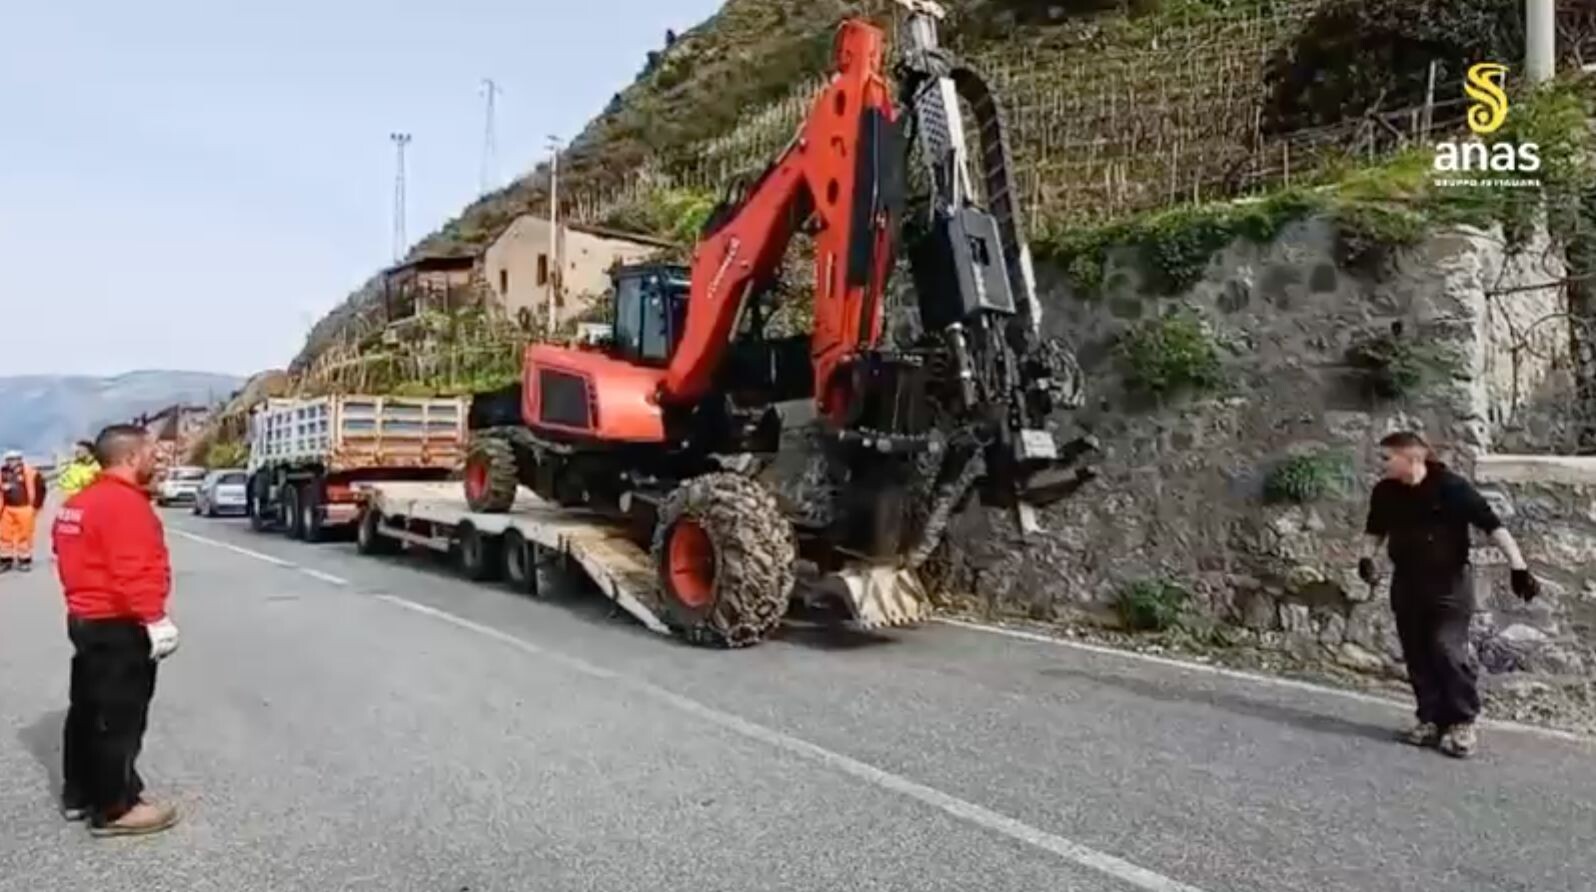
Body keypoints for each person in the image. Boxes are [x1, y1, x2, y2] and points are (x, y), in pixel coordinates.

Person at [1359, 431, 1538, 759]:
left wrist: (1519, 568)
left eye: (1387, 458)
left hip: (1449, 585)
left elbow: (1493, 525)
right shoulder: (1385, 493)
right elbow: (1375, 528)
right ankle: (1429, 718)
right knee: (1416, 652)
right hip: (1408, 583)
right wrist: (1366, 558)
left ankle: (1461, 722)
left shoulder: (1451, 488)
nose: (1381, 464)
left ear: (1411, 459)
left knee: (1446, 648)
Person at [51, 424, 181, 836]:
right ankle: (114, 807)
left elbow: (64, 551)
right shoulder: (124, 506)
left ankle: (79, 793)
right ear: (129, 458)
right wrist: (155, 618)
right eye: (150, 452)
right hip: (118, 624)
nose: (156, 459)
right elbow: (134, 569)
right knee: (119, 718)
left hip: (85, 619)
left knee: (87, 709)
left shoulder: (80, 502)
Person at [1, 449, 47, 572]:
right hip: (7, 508)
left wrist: (36, 506)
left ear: (20, 460)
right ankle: (6, 560)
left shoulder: (31, 472)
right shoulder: (3, 473)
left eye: (14, 459)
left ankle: (24, 560)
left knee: (25, 535)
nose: (11, 462)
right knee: (4, 535)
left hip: (25, 507)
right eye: (9, 460)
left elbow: (41, 489)